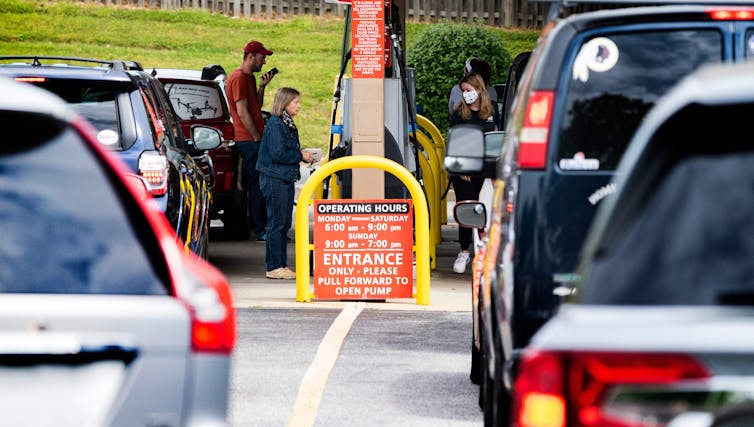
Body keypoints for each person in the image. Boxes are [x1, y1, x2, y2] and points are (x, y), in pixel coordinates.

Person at [256, 87, 314, 280]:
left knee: (283, 223)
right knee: (277, 223)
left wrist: (302, 155)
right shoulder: (276, 124)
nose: (299, 105)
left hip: (284, 177)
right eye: (295, 102)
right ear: (285, 103)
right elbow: (278, 154)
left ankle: (280, 264)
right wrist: (300, 155)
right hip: (275, 178)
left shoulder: (286, 123)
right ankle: (274, 266)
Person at [449, 72, 499, 274]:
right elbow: (455, 140)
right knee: (468, 209)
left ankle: (486, 250)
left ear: (479, 89)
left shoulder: (492, 110)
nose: (466, 94)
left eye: (469, 90)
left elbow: (497, 137)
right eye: (463, 91)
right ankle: (464, 251)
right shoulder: (459, 112)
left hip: (486, 169)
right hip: (465, 170)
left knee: (488, 210)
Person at [226, 40, 276, 241]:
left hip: (253, 139)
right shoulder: (238, 78)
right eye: (262, 57)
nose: (264, 62)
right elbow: (242, 111)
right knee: (257, 184)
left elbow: (256, 104)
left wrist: (263, 86)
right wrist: (256, 137)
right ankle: (259, 229)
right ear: (251, 56)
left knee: (259, 182)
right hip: (248, 140)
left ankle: (261, 226)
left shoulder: (249, 78)